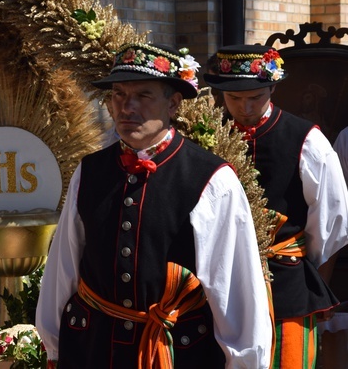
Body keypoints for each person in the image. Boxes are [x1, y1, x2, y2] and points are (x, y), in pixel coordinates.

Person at [36, 42, 272, 368]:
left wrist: (245, 361)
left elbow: (234, 287)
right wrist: (53, 345)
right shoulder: (89, 170)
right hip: (93, 348)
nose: (126, 106)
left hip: (176, 351)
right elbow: (63, 265)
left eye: (143, 95)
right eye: (118, 94)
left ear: (173, 104)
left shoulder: (212, 179)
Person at [204, 44, 348, 369]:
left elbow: (331, 221)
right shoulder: (205, 136)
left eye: (255, 96)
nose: (245, 107)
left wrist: (310, 278)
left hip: (287, 284)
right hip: (218, 282)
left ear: (272, 87)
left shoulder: (306, 140)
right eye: (234, 99)